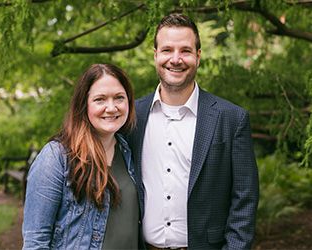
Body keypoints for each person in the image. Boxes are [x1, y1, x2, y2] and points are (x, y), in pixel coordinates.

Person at [127, 13, 259, 250]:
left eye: (185, 51)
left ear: (198, 56)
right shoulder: (132, 116)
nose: (175, 59)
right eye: (167, 50)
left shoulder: (231, 118)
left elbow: (245, 200)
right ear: (155, 55)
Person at [22, 63, 140, 249]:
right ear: (83, 104)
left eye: (119, 98)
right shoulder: (56, 157)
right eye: (100, 99)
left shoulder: (129, 151)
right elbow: (36, 242)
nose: (111, 108)